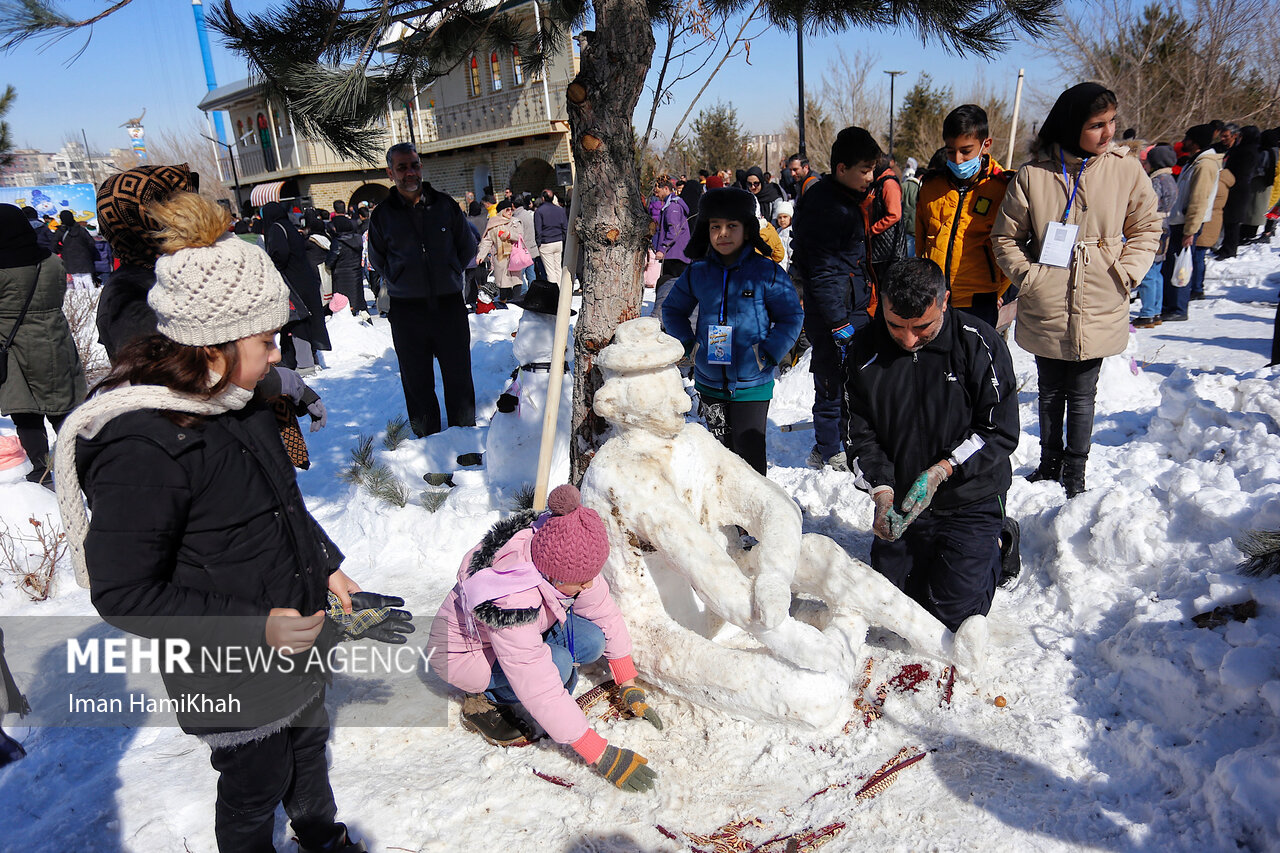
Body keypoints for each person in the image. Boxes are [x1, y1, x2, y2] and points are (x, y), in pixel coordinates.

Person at [55, 191, 389, 852]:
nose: (277, 356)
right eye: (267, 341)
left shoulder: (239, 402)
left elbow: (279, 502)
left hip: (291, 631)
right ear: (213, 345)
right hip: (224, 660)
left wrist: (328, 567)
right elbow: (123, 590)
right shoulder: (144, 442)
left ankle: (322, 835)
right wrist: (254, 627)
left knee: (307, 742)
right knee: (254, 778)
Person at [428, 484, 661, 793]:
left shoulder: (560, 550)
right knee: (559, 666)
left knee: (591, 641)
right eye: (580, 582)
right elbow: (537, 682)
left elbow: (603, 610)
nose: (589, 585)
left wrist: (627, 682)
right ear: (552, 577)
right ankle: (487, 699)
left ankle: (536, 664)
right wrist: (601, 754)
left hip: (523, 630)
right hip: (466, 656)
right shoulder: (510, 598)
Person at [991, 82, 1160, 496]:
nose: (1108, 133)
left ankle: (1076, 472)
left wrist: (1126, 272)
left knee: (1083, 393)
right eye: (1096, 125)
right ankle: (1049, 463)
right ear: (1070, 127)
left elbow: (1147, 227)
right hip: (1046, 296)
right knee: (1049, 390)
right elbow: (1004, 238)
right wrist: (1029, 277)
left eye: (1111, 122)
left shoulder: (1125, 169)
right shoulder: (1034, 175)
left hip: (1101, 296)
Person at [844, 258, 1018, 632]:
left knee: (949, 617)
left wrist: (943, 470)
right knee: (893, 608)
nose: (907, 340)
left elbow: (998, 430)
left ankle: (998, 542)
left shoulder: (979, 342)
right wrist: (883, 492)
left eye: (921, 328)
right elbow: (859, 435)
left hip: (970, 498)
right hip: (907, 500)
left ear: (945, 303)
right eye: (895, 326)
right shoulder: (863, 350)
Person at [661, 188, 803, 474]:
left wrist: (767, 354)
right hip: (710, 383)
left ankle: (752, 517)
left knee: (749, 459)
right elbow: (672, 310)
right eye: (715, 227)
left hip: (753, 385)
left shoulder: (767, 272)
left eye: (731, 226)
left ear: (747, 230)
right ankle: (726, 516)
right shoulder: (697, 272)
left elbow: (791, 317)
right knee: (721, 456)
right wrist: (690, 347)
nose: (722, 234)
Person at [368, 142, 479, 437]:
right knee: (416, 378)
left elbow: (467, 245)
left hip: (448, 304)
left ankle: (464, 432)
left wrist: (451, 271)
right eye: (402, 167)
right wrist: (399, 277)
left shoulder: (444, 205)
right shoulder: (382, 215)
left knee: (458, 373)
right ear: (390, 172)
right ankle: (426, 435)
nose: (409, 172)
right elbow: (378, 258)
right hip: (407, 309)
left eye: (414, 165)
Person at [790, 127, 880, 471]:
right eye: (864, 170)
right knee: (831, 380)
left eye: (872, 170)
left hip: (849, 306)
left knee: (851, 380)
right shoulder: (830, 206)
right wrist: (839, 322)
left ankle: (837, 439)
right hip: (834, 312)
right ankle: (829, 449)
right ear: (842, 168)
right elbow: (824, 272)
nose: (870, 178)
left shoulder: (841, 198)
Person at [0, 203, 87, 487]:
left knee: (26, 411)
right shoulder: (50, 261)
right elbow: (59, 295)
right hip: (55, 340)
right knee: (62, 406)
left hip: (14, 347)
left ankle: (42, 468)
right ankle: (78, 459)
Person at [915, 105, 1014, 328]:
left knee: (974, 361)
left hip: (980, 299)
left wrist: (997, 290)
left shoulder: (1002, 188)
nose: (958, 159)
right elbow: (922, 242)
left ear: (985, 145)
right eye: (951, 151)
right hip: (934, 296)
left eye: (966, 151)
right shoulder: (931, 186)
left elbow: (1011, 247)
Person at [1160, 124, 1222, 321]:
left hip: (1188, 223)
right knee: (1172, 264)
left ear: (1194, 142)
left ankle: (1178, 308)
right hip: (1180, 221)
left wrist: (1190, 230)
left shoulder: (1205, 165)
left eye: (1186, 138)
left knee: (1181, 265)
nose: (1183, 142)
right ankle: (1170, 304)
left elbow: (1199, 200)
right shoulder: (1194, 162)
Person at [262, 201, 331, 373]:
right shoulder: (289, 226)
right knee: (304, 319)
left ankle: (304, 362)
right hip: (305, 279)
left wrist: (272, 268)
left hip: (292, 282)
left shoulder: (276, 229)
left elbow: (280, 255)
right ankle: (302, 359)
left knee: (296, 319)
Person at [1132, 144, 1178, 327]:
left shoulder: (1157, 181)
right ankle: (1156, 310)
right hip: (1165, 227)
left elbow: (1148, 203)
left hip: (1154, 227)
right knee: (1157, 271)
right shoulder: (1171, 179)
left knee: (1149, 271)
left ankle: (1148, 313)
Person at [865, 156, 908, 286]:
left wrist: (872, 230)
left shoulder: (888, 183)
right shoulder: (878, 183)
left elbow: (894, 214)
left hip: (889, 251)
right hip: (881, 247)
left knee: (887, 288)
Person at [476, 198, 526, 304]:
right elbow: (487, 241)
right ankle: (504, 303)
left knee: (516, 280)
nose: (510, 212)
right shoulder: (493, 224)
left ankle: (515, 303)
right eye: (507, 210)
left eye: (511, 210)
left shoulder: (515, 222)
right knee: (503, 282)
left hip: (514, 256)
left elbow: (520, 236)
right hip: (500, 257)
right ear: (501, 211)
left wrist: (509, 235)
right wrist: (481, 255)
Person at [324, 216, 371, 321]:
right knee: (359, 302)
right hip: (356, 274)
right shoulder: (358, 238)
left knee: (343, 305)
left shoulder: (338, 242)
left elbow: (330, 262)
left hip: (341, 277)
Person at [651, 174, 691, 279]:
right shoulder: (669, 205)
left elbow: (674, 230)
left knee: (670, 286)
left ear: (665, 188)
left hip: (675, 256)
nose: (656, 195)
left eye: (658, 191)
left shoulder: (673, 206)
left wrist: (662, 248)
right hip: (673, 255)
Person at [55, 209, 97, 290]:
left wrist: (62, 250)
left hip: (69, 259)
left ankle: (80, 298)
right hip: (84, 258)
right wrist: (86, 251)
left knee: (76, 279)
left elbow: (53, 245)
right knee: (87, 278)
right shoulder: (81, 229)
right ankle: (92, 298)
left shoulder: (60, 231)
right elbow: (91, 242)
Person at [533, 188, 568, 284]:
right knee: (558, 268)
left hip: (546, 242)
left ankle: (555, 293)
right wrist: (564, 240)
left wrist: (538, 243)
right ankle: (561, 291)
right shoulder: (560, 210)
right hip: (558, 241)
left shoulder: (539, 211)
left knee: (550, 271)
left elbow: (538, 230)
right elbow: (565, 227)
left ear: (543, 198)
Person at [512, 193, 539, 289]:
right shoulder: (528, 214)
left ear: (512, 205)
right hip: (532, 248)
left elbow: (518, 235)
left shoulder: (517, 218)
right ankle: (533, 291)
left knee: (519, 275)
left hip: (523, 250)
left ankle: (524, 292)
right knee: (531, 273)